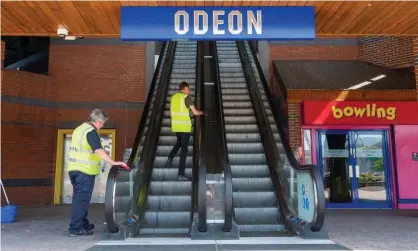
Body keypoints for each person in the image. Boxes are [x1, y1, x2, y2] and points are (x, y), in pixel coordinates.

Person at [67, 109, 130, 237]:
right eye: (102, 123)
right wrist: (113, 162)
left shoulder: (79, 129)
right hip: (84, 171)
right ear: (97, 121)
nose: (102, 126)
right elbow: (98, 151)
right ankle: (75, 228)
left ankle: (83, 223)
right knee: (81, 200)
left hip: (74, 169)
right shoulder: (91, 132)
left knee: (79, 199)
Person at [166, 81, 205, 181]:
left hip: (176, 126)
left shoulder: (174, 97)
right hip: (185, 127)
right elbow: (195, 112)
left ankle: (170, 158)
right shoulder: (186, 98)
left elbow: (171, 114)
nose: (189, 91)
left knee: (179, 142)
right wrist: (202, 112)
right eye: (188, 89)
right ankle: (181, 174)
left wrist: (187, 114)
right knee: (184, 150)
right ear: (184, 88)